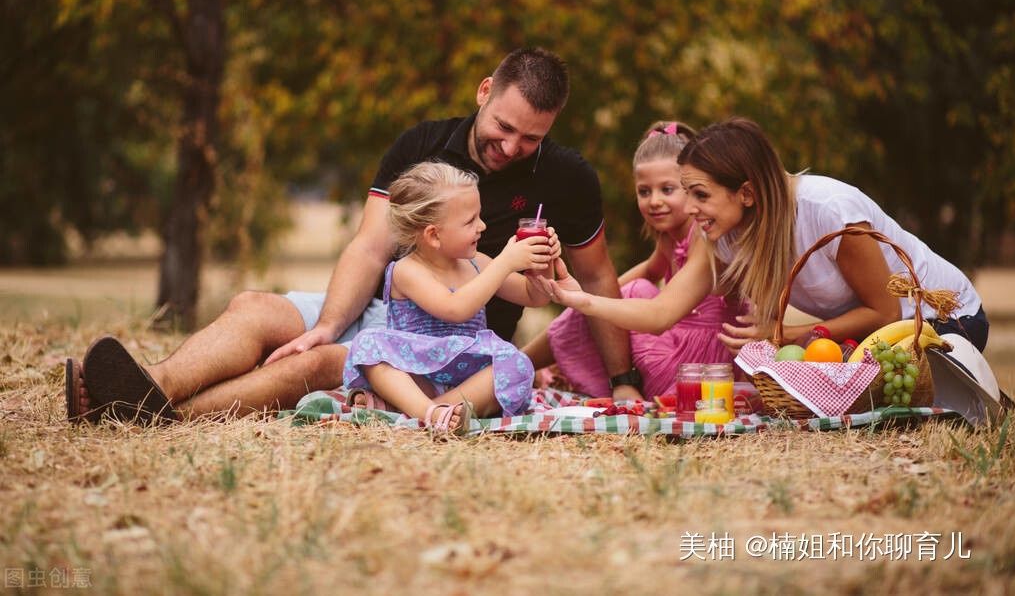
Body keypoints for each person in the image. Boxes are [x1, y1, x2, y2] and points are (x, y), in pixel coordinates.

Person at [66, 47, 629, 424]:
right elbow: (368, 246)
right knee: (255, 307)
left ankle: (164, 414)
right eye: (504, 128)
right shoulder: (420, 146)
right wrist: (330, 323)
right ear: (484, 92)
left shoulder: (567, 178)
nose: (510, 148)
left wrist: (623, 379)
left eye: (530, 139)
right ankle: (148, 386)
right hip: (386, 305)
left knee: (314, 364)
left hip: (449, 342)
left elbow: (597, 277)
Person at [533, 117, 986, 356]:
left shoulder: (828, 212)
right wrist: (580, 298)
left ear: (746, 193)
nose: (689, 210)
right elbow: (658, 313)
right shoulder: (726, 235)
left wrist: (791, 333)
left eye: (700, 195)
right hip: (865, 339)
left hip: (942, 325)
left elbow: (884, 311)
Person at [520, 122, 743, 400]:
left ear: (690, 186)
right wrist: (599, 296)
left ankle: (518, 364)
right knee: (617, 296)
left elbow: (649, 299)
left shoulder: (705, 234)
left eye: (667, 189)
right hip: (675, 350)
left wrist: (599, 301)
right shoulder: (668, 238)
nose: (654, 201)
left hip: (702, 366)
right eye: (644, 191)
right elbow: (649, 271)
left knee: (634, 293)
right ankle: (519, 363)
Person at [342, 162, 556, 432]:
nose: (482, 226)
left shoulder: (478, 263)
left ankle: (431, 410)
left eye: (479, 215)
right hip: (416, 374)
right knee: (367, 344)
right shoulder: (408, 270)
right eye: (470, 221)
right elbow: (455, 308)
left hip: (467, 379)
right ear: (433, 235)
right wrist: (505, 262)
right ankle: (427, 410)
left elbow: (534, 296)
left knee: (518, 364)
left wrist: (542, 262)